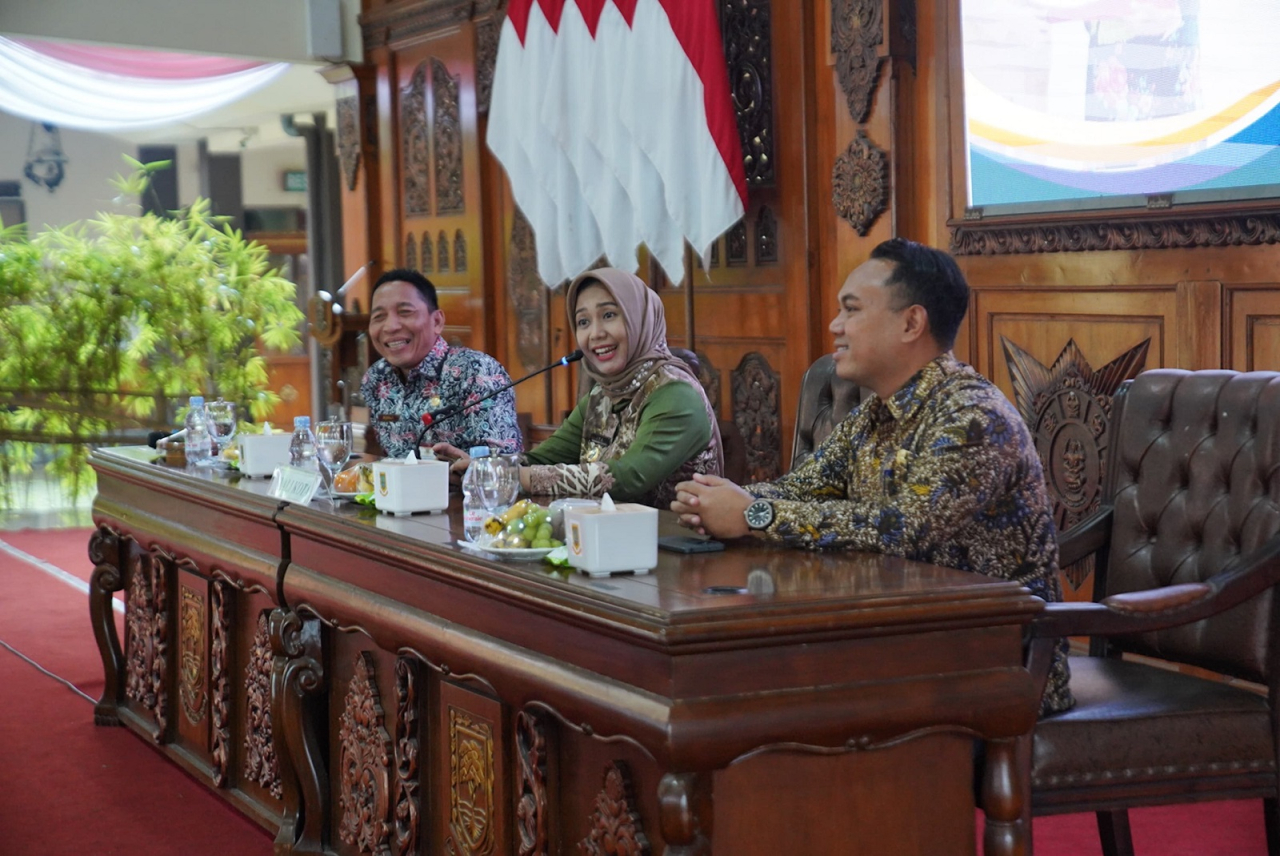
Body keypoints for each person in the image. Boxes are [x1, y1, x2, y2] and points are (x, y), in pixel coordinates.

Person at [670, 238, 1072, 715]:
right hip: (901, 642)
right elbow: (796, 488)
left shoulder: (972, 417)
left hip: (996, 664)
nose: (834, 326)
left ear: (911, 322)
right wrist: (717, 501)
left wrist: (755, 514)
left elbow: (903, 529)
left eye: (851, 310)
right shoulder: (875, 414)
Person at [436, 267, 722, 506]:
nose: (595, 334)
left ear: (640, 319)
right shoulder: (602, 395)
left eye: (609, 315)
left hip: (683, 556)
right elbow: (540, 458)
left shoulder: (675, 394)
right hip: (606, 542)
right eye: (583, 321)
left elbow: (626, 478)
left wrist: (509, 475)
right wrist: (484, 464)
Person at [360, 269, 521, 459]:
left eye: (405, 312)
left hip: (463, 488)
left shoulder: (476, 371)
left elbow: (502, 464)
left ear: (436, 321)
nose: (390, 326)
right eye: (379, 317)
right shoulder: (377, 378)